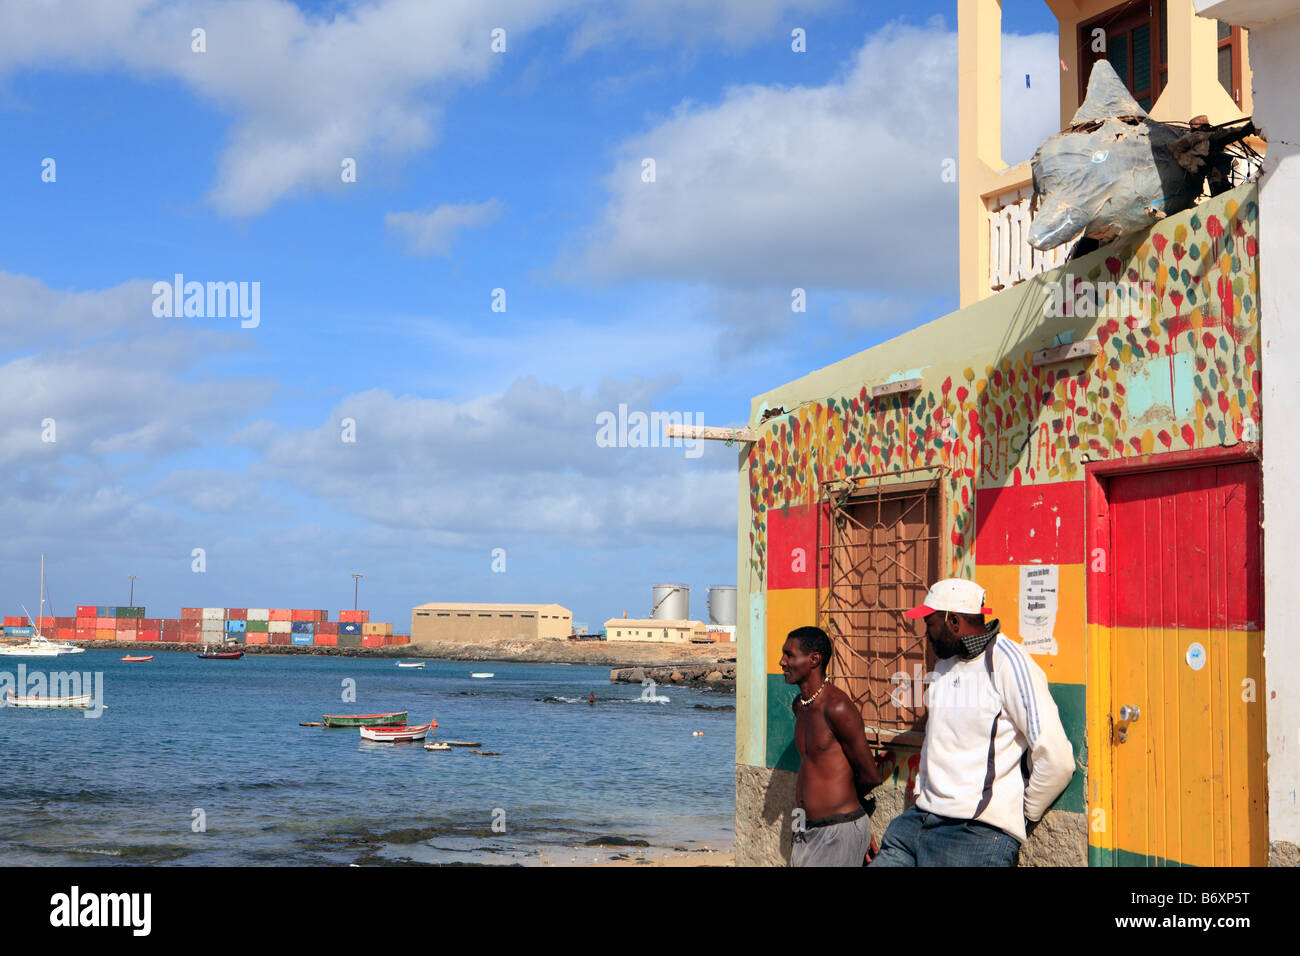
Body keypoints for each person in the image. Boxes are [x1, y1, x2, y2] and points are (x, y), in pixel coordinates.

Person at [870, 578, 1075, 867]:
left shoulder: (1008, 663)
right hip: (914, 827)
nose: (925, 634)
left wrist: (1016, 819)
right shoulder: (944, 665)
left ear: (952, 620)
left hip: (973, 837)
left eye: (930, 624)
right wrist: (920, 795)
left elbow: (1057, 760)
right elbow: (936, 739)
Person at [780, 626, 882, 866]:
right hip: (804, 825)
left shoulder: (837, 707)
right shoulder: (800, 705)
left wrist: (849, 815)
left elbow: (870, 775)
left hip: (838, 829)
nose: (782, 662)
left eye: (789, 655)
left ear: (814, 659)